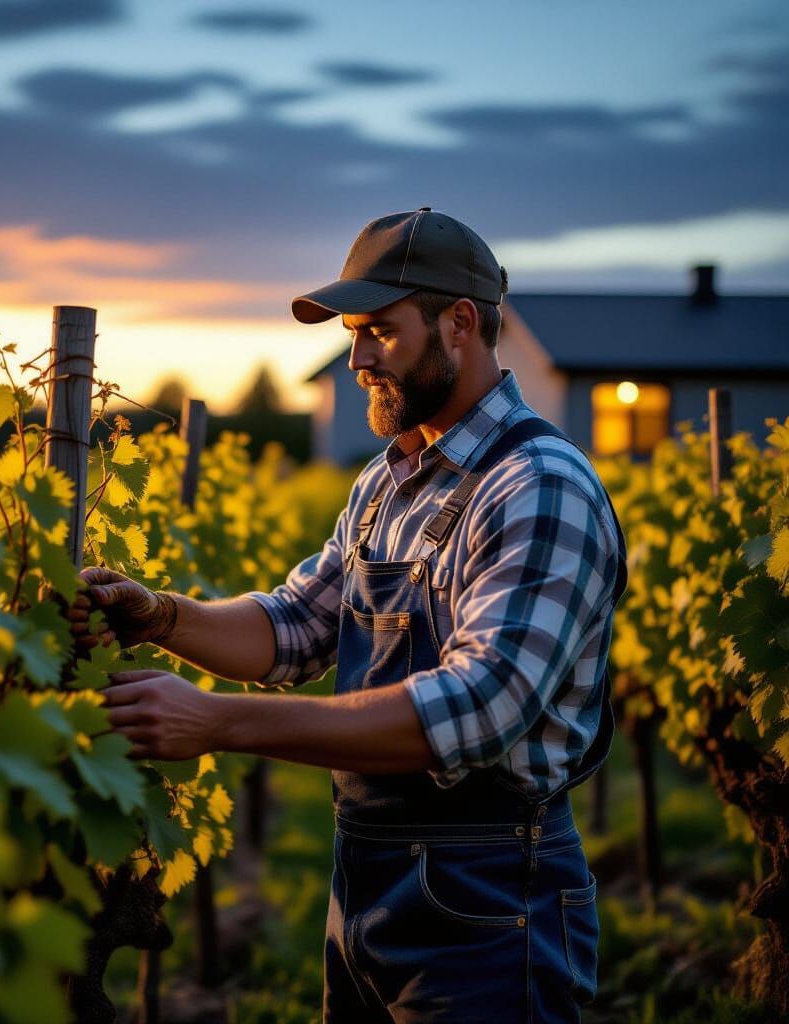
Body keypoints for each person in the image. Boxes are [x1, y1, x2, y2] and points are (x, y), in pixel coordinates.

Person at [70, 208, 628, 1023]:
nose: (358, 359)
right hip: (365, 879)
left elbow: (475, 708)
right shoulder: (387, 482)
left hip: (492, 894)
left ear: (460, 324)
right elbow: (295, 627)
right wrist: (161, 616)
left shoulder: (540, 486)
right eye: (353, 335)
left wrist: (217, 722)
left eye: (380, 333)